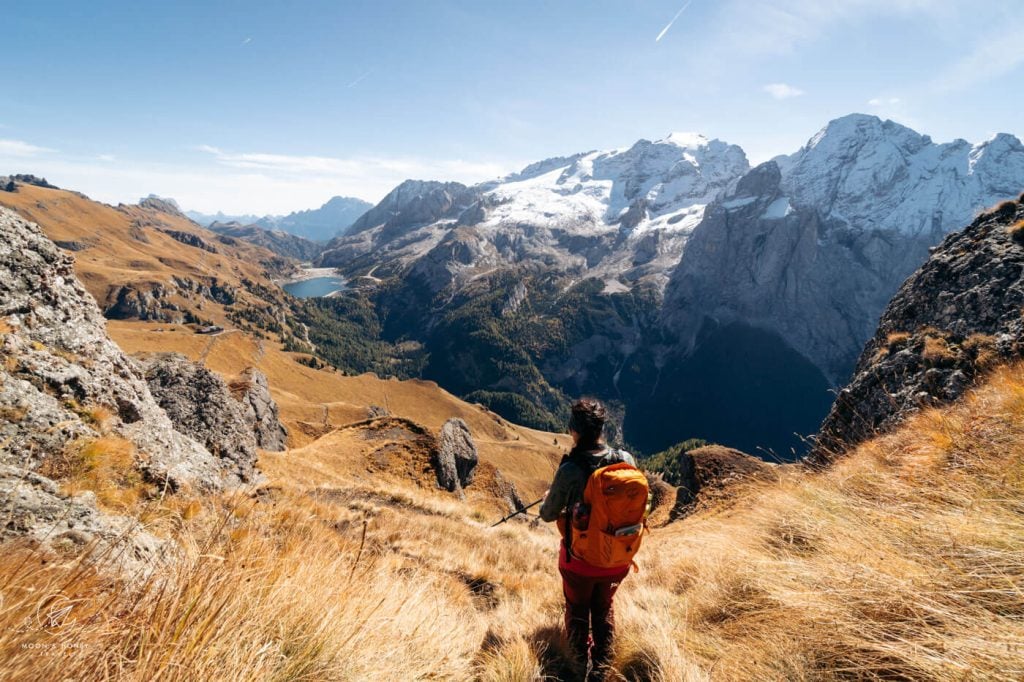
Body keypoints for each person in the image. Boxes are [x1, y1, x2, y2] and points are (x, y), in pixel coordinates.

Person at [539, 397, 637, 681]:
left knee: (578, 610)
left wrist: (550, 497)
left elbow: (547, 514)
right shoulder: (625, 461)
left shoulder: (570, 469)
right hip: (617, 559)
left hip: (579, 562)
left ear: (574, 430)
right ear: (602, 429)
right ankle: (604, 669)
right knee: (604, 607)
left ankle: (577, 667)